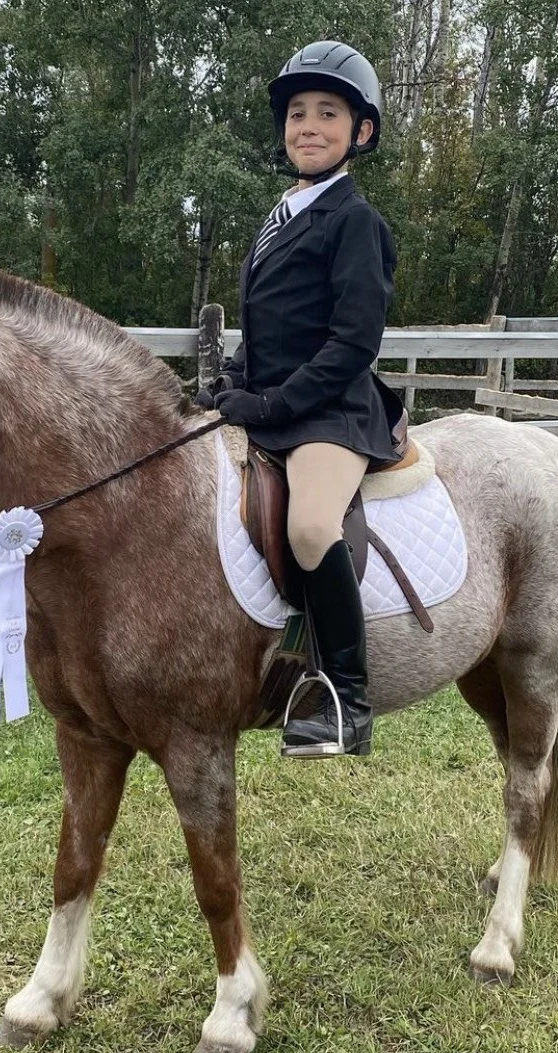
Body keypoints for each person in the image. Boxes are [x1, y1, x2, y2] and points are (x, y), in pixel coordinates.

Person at [197, 40, 404, 758]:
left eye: (327, 113)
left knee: (313, 527)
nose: (307, 126)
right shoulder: (280, 215)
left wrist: (273, 404)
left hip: (332, 411)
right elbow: (272, 323)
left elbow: (351, 346)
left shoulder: (356, 222)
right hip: (276, 403)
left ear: (361, 132)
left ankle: (348, 701)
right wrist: (236, 380)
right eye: (296, 114)